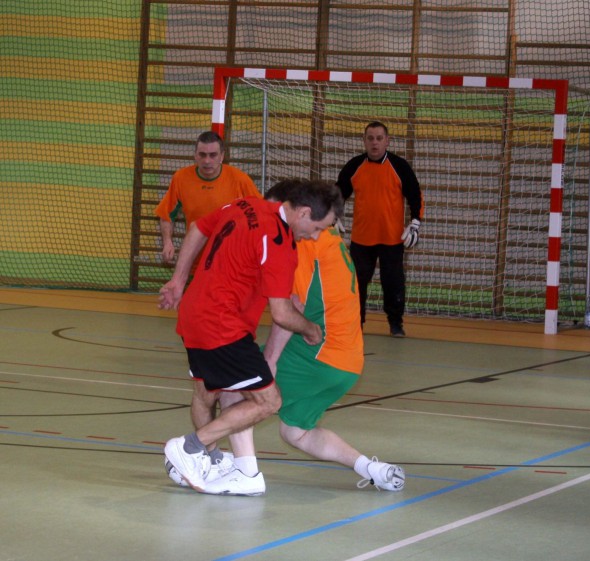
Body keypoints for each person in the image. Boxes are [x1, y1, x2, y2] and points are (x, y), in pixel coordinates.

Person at [196, 181, 406, 495]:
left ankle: (243, 472)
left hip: (320, 352)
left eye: (274, 209)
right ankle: (371, 468)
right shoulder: (328, 237)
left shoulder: (302, 241)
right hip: (348, 362)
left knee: (237, 388)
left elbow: (294, 306)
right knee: (295, 431)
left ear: (294, 210)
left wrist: (270, 360)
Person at [159, 179, 341, 494]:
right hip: (223, 327)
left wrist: (178, 280)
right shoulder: (280, 243)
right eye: (317, 228)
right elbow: (282, 313)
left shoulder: (244, 205)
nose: (315, 236)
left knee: (206, 392)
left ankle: (210, 461)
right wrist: (311, 330)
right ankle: (191, 448)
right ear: (303, 212)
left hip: (194, 313)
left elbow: (198, 228)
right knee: (268, 401)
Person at [336, 121, 424, 338]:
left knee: (393, 284)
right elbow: (337, 193)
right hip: (361, 239)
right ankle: (356, 323)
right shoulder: (354, 166)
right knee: (357, 284)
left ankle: (396, 324)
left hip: (392, 239)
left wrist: (415, 222)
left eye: (379, 138)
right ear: (364, 141)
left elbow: (415, 195)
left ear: (387, 141)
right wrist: (333, 215)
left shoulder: (399, 166)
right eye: (370, 138)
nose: (374, 143)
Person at [155, 131, 261, 264]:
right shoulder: (181, 179)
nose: (207, 161)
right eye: (202, 155)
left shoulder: (240, 180)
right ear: (195, 155)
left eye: (213, 155)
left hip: (231, 261)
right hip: (195, 260)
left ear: (222, 156)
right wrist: (167, 242)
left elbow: (261, 215)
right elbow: (166, 215)